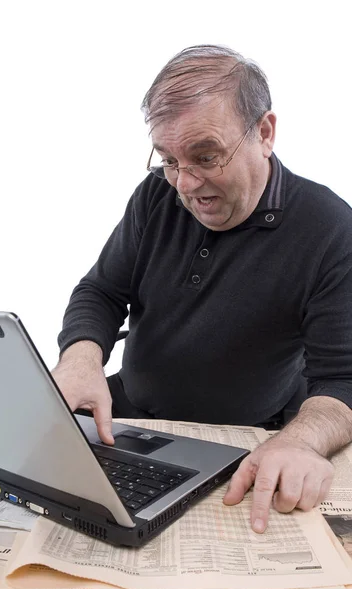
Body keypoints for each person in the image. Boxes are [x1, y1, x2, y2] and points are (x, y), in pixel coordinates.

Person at [52, 45, 352, 534]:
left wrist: (303, 442)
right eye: (169, 159)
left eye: (205, 157)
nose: (185, 185)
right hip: (126, 418)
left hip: (246, 439)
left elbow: (342, 380)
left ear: (265, 132)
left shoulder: (331, 229)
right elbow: (101, 291)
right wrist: (80, 359)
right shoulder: (156, 195)